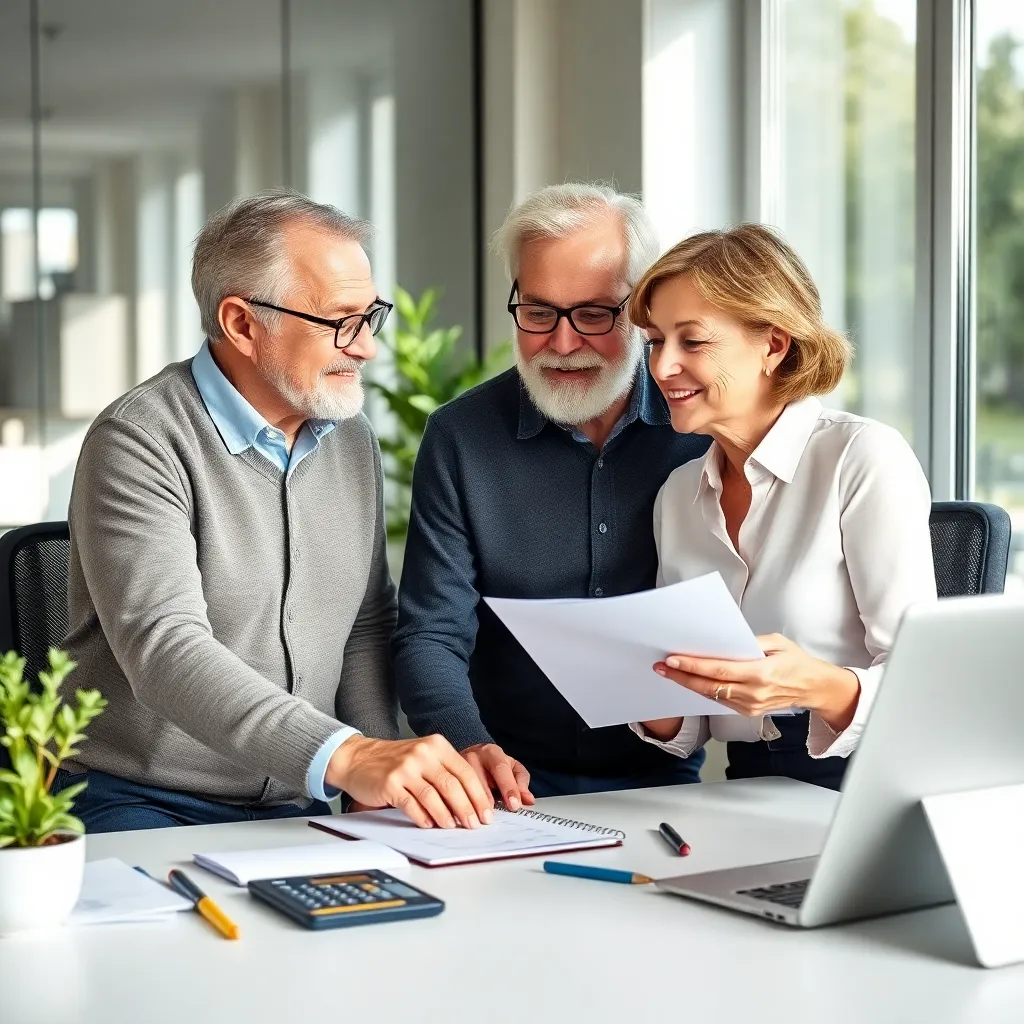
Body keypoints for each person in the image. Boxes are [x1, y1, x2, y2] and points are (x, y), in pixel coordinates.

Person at [57, 189, 493, 832]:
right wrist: (351, 756)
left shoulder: (351, 439)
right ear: (242, 324)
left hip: (296, 800)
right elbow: (165, 649)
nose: (367, 348)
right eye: (341, 321)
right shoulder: (140, 438)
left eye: (371, 317)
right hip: (138, 796)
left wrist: (376, 769)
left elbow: (364, 624)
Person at [392, 183, 710, 803]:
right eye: (539, 313)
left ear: (642, 308)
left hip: (667, 776)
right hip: (505, 784)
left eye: (593, 314)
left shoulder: (701, 429)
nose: (562, 345)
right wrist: (469, 746)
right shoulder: (459, 437)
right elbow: (430, 634)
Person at [626, 223, 936, 790]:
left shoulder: (861, 457)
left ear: (773, 344)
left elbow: (924, 686)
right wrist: (638, 682)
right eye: (655, 342)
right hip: (747, 785)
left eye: (691, 342)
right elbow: (688, 726)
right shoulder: (677, 494)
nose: (661, 367)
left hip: (864, 781)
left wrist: (813, 684)